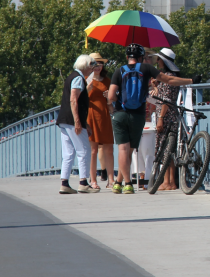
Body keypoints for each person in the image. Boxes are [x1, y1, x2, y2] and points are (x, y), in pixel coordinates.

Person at [107, 43, 199, 194]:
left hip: (120, 114)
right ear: (141, 57)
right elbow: (169, 80)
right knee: (130, 150)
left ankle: (123, 183)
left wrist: (116, 107)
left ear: (127, 57)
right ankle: (122, 182)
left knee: (122, 149)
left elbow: (110, 96)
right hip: (137, 115)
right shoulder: (147, 69)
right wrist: (191, 80)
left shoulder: (119, 71)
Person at [56, 54, 101, 194]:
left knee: (68, 153)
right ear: (87, 66)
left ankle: (64, 183)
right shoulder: (78, 78)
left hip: (64, 120)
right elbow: (74, 100)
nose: (93, 69)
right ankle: (83, 182)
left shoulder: (72, 76)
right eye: (92, 66)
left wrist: (84, 123)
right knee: (84, 150)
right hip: (71, 120)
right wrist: (78, 121)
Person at [151, 48, 182, 191]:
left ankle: (168, 182)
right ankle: (168, 181)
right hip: (170, 115)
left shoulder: (168, 77)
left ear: (163, 61)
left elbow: (167, 100)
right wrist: (156, 86)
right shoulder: (169, 77)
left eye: (158, 59)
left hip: (166, 116)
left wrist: (161, 118)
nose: (157, 62)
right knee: (169, 149)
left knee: (165, 148)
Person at [85, 52, 115, 190]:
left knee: (109, 149)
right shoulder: (85, 79)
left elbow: (111, 105)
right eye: (94, 64)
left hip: (104, 115)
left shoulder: (107, 81)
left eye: (100, 63)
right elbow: (78, 100)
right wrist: (87, 89)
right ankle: (93, 180)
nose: (98, 66)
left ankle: (111, 180)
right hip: (91, 116)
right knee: (93, 150)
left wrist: (109, 99)